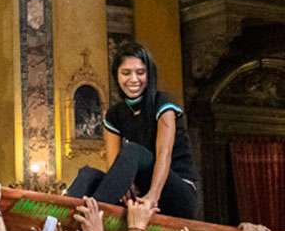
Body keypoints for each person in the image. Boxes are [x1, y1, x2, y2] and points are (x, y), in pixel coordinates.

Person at [66, 43, 198, 219]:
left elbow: (164, 153)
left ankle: (91, 219)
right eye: (126, 73)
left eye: (140, 73)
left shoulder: (163, 103)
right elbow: (115, 165)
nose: (134, 79)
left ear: (149, 74)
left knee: (133, 150)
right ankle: (56, 222)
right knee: (88, 174)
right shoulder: (114, 114)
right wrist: (125, 186)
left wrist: (153, 196)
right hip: (140, 190)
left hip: (176, 192)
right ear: (117, 76)